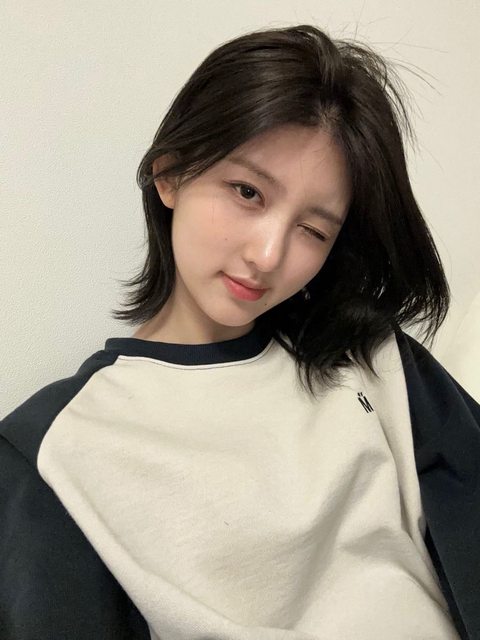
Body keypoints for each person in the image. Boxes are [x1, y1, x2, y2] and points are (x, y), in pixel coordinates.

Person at [0, 23, 479, 640]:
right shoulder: (54, 449)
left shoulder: (371, 356)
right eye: (248, 192)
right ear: (170, 174)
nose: (268, 254)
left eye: (313, 229)